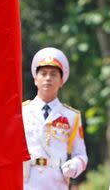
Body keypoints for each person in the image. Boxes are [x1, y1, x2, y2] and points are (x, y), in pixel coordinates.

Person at [22, 47, 88, 190]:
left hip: (57, 184)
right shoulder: (21, 112)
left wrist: (74, 165)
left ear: (61, 81)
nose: (48, 78)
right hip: (27, 183)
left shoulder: (72, 116)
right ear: (35, 79)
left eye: (53, 74)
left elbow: (81, 155)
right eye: (43, 73)